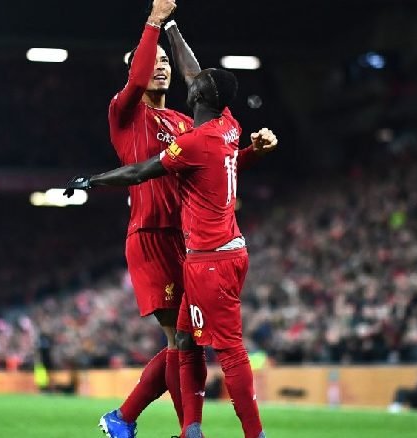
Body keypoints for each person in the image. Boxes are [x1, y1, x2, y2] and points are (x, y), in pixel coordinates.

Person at [66, 67, 275, 438]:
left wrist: (93, 180)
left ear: (197, 96)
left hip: (209, 257)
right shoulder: (229, 126)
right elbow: (196, 76)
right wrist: (173, 26)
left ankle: (253, 435)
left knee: (227, 350)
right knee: (184, 339)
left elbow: (140, 172)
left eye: (194, 82)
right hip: (206, 252)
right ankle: (187, 429)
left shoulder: (193, 138)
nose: (180, 74)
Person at [97, 0, 265, 435]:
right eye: (150, 62)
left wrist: (248, 153)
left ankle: (126, 418)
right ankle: (182, 426)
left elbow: (211, 167)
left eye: (164, 62)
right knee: (180, 339)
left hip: (187, 241)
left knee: (185, 340)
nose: (159, 68)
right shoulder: (126, 112)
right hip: (151, 235)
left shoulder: (182, 122)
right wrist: (155, 22)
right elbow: (136, 82)